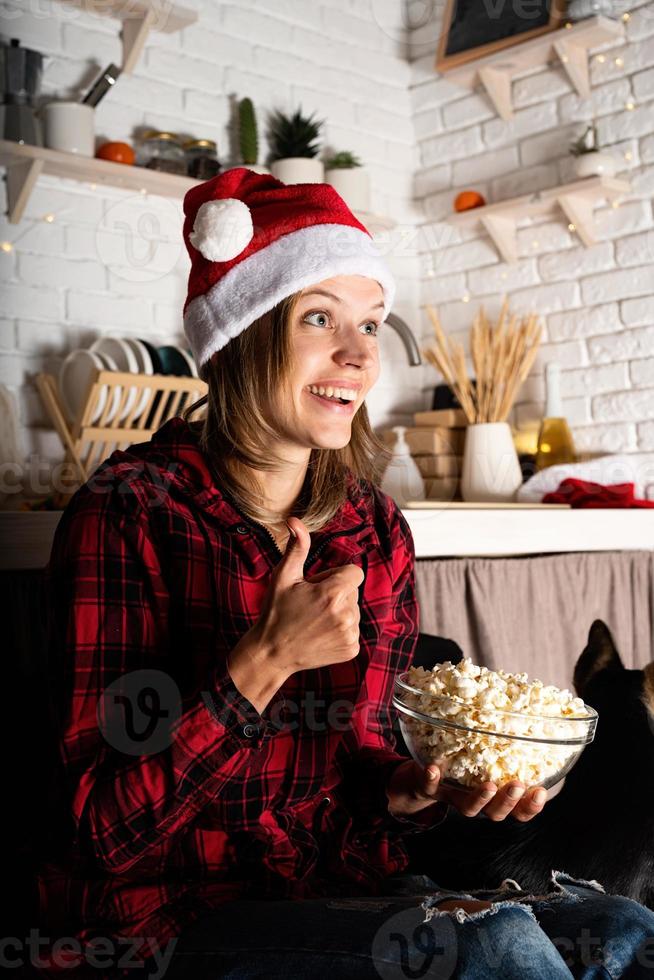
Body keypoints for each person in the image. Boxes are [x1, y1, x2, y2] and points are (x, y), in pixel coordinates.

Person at [32, 169, 654, 980]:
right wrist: (262, 664)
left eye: (370, 323)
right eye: (319, 318)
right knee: (492, 945)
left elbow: (359, 775)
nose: (360, 355)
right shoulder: (130, 513)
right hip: (166, 918)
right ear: (243, 335)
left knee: (624, 927)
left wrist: (419, 789)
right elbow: (105, 833)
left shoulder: (373, 529)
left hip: (333, 888)